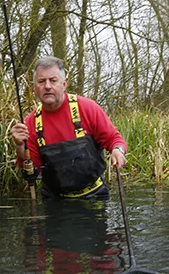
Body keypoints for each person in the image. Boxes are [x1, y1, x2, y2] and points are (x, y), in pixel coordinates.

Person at [11, 56, 127, 199]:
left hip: (94, 196)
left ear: (64, 84)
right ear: (34, 88)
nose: (47, 86)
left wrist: (118, 151)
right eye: (41, 81)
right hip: (55, 201)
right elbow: (31, 167)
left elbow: (113, 139)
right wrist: (19, 146)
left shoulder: (87, 108)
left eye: (53, 80)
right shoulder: (30, 123)